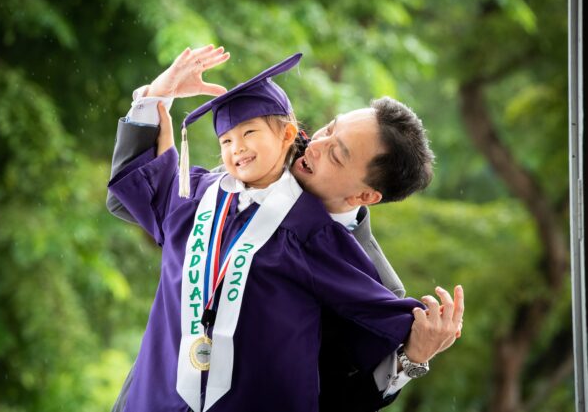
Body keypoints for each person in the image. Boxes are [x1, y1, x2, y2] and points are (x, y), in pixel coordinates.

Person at [107, 46, 464, 412]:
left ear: (365, 195)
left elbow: (338, 400)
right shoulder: (230, 186)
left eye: (337, 153)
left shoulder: (371, 281)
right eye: (329, 128)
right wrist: (155, 98)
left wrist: (412, 357)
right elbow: (130, 198)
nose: (315, 144)